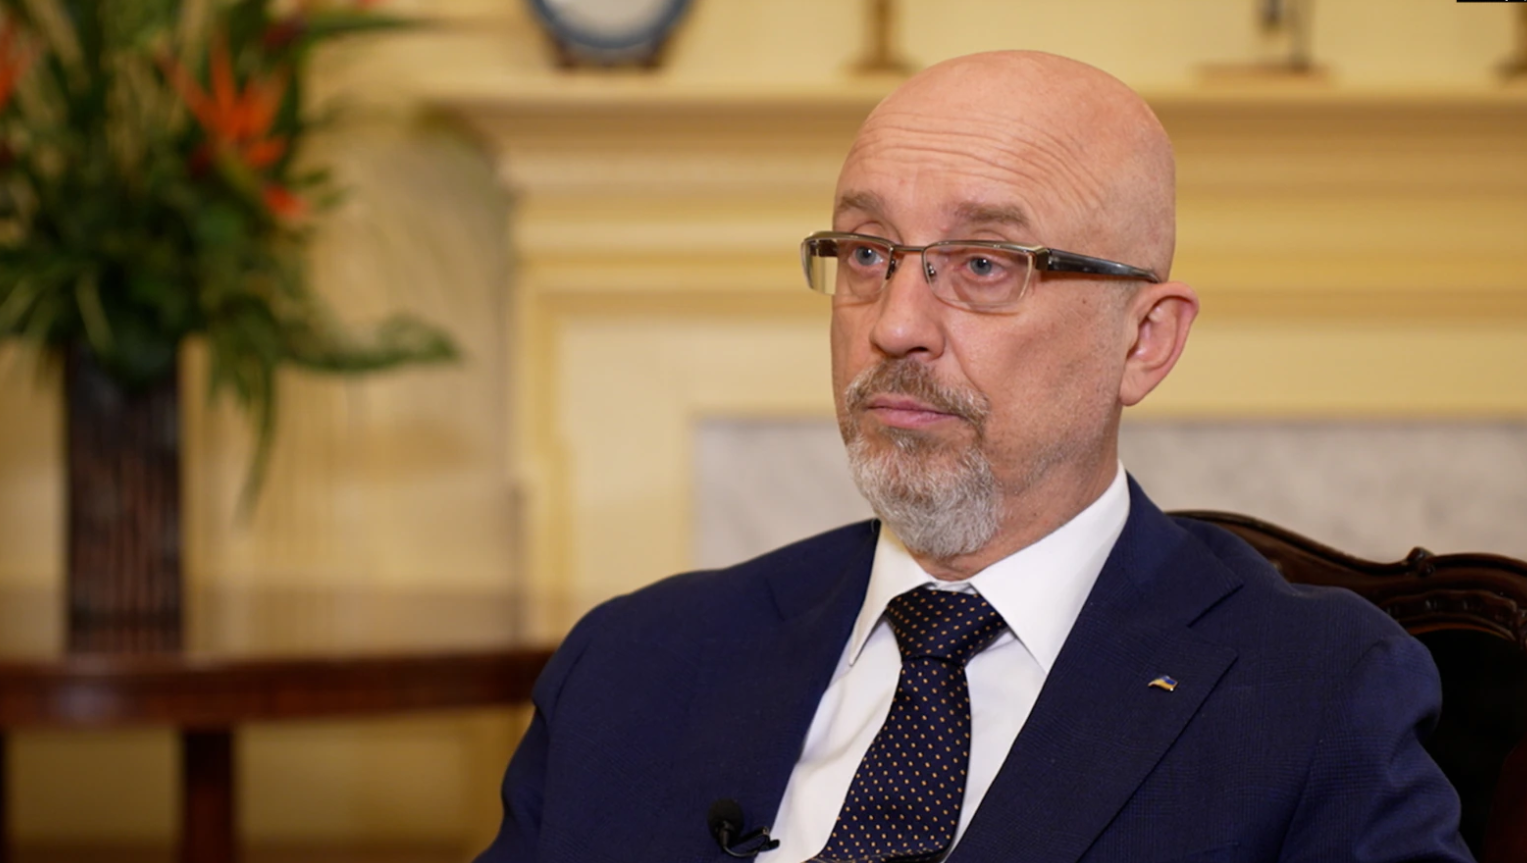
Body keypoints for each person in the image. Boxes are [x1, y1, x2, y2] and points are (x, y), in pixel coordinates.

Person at [475, 51, 1471, 863]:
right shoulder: (635, 663)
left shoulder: (1314, 690)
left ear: (1144, 341)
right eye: (867, 253)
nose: (895, 323)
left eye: (985, 264)